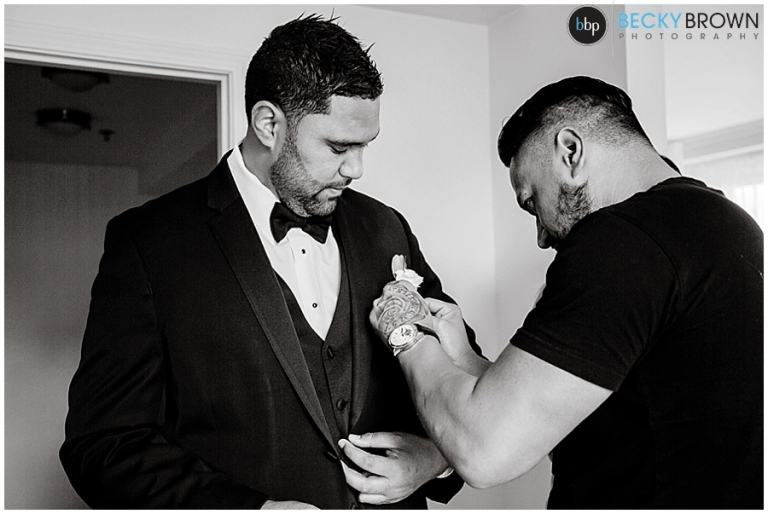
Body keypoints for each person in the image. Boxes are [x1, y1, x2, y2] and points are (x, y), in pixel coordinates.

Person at [60, 14, 480, 509]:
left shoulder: (386, 228)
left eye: (365, 146)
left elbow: (466, 385)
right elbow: (104, 446)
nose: (357, 169)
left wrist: (434, 458)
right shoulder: (149, 243)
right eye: (339, 147)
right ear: (268, 124)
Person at [369, 76, 763, 509]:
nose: (541, 236)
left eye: (532, 202)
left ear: (570, 151)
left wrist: (407, 334)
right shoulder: (729, 224)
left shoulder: (621, 241)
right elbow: (563, 415)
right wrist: (462, 356)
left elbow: (486, 452)